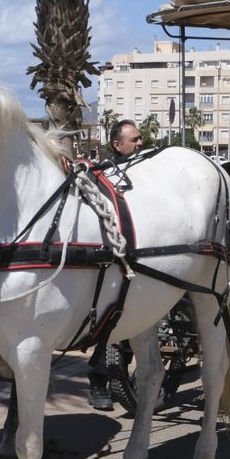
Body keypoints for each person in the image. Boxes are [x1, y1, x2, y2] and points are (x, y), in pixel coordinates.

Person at [87, 119, 145, 410]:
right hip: (112, 255)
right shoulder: (103, 173)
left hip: (143, 255)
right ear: (116, 144)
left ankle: (120, 380)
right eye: (133, 140)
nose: (139, 144)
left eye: (140, 139)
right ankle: (98, 381)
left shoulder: (147, 169)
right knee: (107, 322)